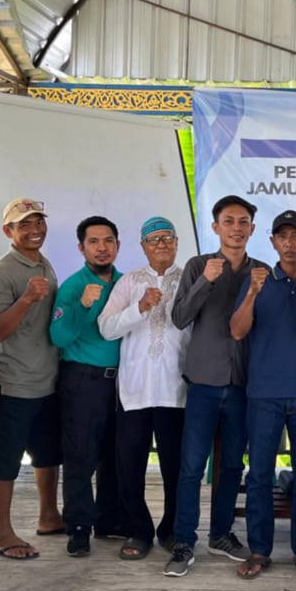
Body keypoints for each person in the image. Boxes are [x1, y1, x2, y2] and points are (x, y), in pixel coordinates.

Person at [164, 195, 264, 577]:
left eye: (243, 222)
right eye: (229, 221)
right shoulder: (198, 266)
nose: (236, 228)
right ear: (216, 227)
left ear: (252, 228)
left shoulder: (262, 272)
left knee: (233, 465)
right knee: (192, 466)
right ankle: (183, 541)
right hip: (204, 382)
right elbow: (179, 317)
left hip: (243, 385)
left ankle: (220, 534)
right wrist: (206, 280)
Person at [229, 210, 296, 579]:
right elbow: (237, 331)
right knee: (259, 475)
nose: (290, 243)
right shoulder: (258, 280)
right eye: (283, 236)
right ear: (272, 242)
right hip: (263, 393)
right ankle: (259, 549)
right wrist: (252, 292)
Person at [99, 216, 188, 559]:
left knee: (175, 467)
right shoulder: (130, 282)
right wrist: (140, 307)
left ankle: (171, 529)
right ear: (143, 247)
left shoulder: (189, 279)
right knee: (130, 465)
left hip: (176, 389)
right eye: (154, 239)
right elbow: (107, 327)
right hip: (135, 389)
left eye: (167, 238)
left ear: (177, 243)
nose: (161, 244)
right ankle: (138, 530)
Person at [0, 197, 61, 560]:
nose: (34, 230)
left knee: (47, 454)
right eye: (24, 224)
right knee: (6, 461)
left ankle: (49, 516)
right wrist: (26, 299)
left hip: (48, 379)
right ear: (7, 231)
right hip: (14, 382)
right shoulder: (0, 273)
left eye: (38, 222)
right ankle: (2, 533)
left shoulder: (43, 262)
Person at [49, 215, 127, 558]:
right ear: (81, 248)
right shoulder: (73, 287)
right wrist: (82, 307)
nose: (101, 248)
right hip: (83, 379)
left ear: (118, 245)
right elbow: (58, 337)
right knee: (80, 455)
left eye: (108, 241)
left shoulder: (126, 284)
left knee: (115, 453)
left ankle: (110, 519)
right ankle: (79, 527)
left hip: (122, 381)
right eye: (93, 242)